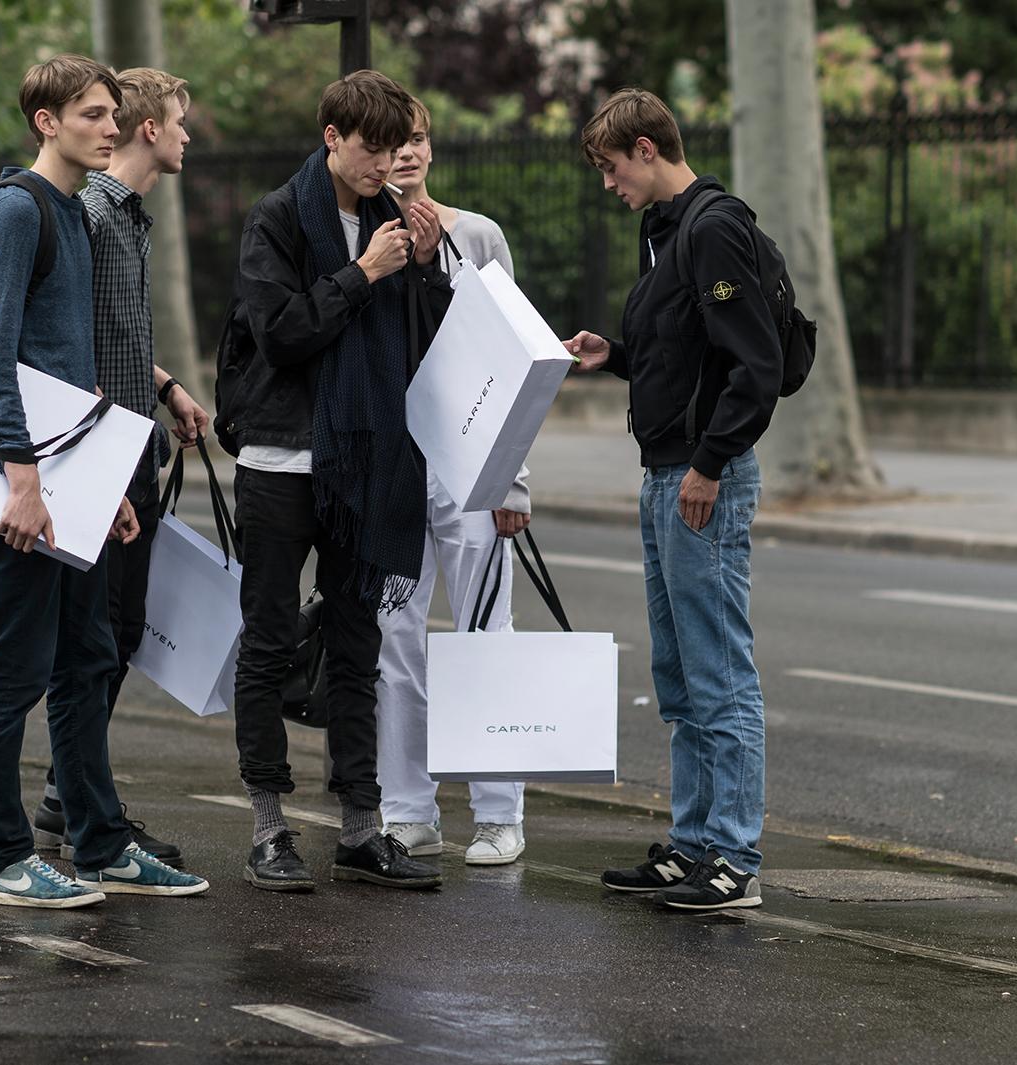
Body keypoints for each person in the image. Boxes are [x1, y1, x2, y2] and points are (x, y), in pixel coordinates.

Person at [0, 53, 208, 907]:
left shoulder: (73, 214)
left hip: (77, 482)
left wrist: (105, 489)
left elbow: (77, 370)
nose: (113, 128)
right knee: (11, 673)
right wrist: (23, 482)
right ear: (48, 122)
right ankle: (1, 859)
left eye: (113, 114)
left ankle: (102, 846)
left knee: (87, 659)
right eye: (94, 115)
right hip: (27, 490)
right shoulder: (16, 213)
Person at [220, 70, 453, 892]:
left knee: (358, 645)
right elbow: (281, 333)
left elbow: (424, 345)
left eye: (395, 149)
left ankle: (361, 826)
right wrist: (365, 272)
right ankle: (269, 826)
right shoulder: (280, 217)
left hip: (368, 461)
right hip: (282, 460)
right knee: (270, 640)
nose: (383, 164)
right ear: (331, 137)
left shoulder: (396, 222)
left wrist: (425, 266)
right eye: (369, 148)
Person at [565, 88, 780, 911]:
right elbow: (686, 354)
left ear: (647, 150)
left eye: (612, 167)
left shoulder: (712, 226)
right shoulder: (666, 231)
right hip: (665, 473)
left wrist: (710, 463)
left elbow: (755, 365)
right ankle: (693, 844)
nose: (609, 183)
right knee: (682, 674)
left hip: (699, 479)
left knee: (719, 669)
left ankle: (734, 857)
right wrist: (615, 354)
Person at [31, 66, 211, 871]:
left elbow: (116, 331)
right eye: (179, 120)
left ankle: (68, 795)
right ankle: (78, 806)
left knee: (118, 633)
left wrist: (167, 386)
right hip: (100, 458)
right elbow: (69, 343)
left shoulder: (127, 215)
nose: (186, 134)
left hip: (133, 447)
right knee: (100, 640)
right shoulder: (96, 215)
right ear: (149, 129)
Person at [377, 95, 532, 866]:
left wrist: (514, 478)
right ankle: (408, 809)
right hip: (393, 465)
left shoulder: (478, 235)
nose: (407, 152)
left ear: (432, 148)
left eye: (418, 139)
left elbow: (512, 354)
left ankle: (500, 813)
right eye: (394, 141)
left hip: (472, 463)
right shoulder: (362, 239)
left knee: (484, 631)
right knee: (394, 638)